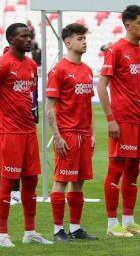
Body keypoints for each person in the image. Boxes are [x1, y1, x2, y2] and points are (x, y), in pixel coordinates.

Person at [0, 23, 52, 247]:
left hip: (28, 130)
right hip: (10, 131)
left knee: (31, 180)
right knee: (8, 181)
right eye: (24, 36)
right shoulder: (0, 65)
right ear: (12, 40)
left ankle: (29, 232)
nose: (29, 39)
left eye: (29, 35)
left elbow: (31, 97)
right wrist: (1, 118)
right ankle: (2, 235)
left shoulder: (31, 65)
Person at [98, 5, 140, 237]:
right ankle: (112, 225)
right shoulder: (115, 50)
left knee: (134, 170)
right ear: (128, 24)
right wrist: (110, 119)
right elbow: (101, 86)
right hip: (122, 120)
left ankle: (129, 221)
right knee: (116, 170)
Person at [46, 23, 98, 241]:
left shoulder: (87, 70)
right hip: (67, 134)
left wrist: (92, 134)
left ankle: (75, 228)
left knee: (79, 181)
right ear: (68, 43)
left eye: (84, 38)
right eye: (79, 38)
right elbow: (49, 108)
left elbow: (88, 105)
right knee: (61, 180)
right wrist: (57, 136)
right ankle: (58, 230)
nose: (84, 42)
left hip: (84, 134)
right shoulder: (58, 70)